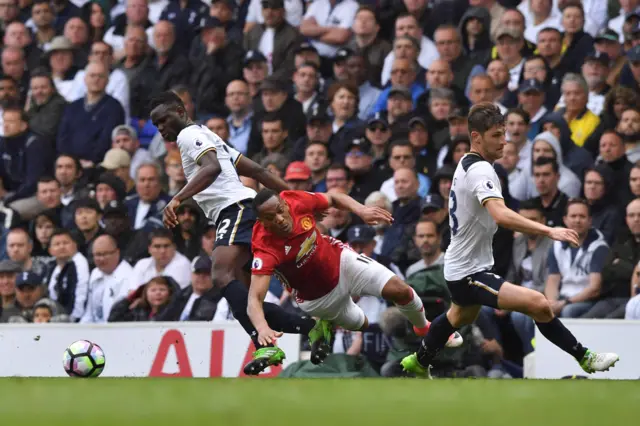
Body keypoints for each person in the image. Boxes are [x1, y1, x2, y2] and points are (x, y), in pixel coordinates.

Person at [400, 103, 619, 378]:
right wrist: (549, 230)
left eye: (504, 134)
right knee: (538, 303)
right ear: (476, 137)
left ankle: (419, 362)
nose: (503, 141)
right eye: (495, 135)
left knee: (459, 317)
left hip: (463, 264)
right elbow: (500, 214)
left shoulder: (470, 164)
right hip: (469, 271)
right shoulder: (480, 170)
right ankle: (585, 357)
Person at [149, 91, 322, 374]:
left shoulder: (188, 135)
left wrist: (178, 198)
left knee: (220, 273)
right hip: (242, 210)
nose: (161, 129)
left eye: (164, 120)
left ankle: (263, 343)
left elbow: (212, 168)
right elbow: (257, 170)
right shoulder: (208, 136)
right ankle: (310, 328)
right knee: (246, 298)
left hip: (236, 208)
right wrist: (298, 199)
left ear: (180, 112)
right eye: (156, 126)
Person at [247, 189, 463, 371]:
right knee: (362, 324)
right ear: (261, 221)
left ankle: (424, 327)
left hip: (342, 261)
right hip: (318, 299)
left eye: (280, 210)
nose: (280, 219)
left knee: (400, 290)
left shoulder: (295, 200)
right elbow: (254, 299)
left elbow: (333, 197)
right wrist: (262, 328)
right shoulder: (264, 247)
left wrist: (361, 210)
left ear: (285, 204)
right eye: (270, 217)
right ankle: (323, 324)